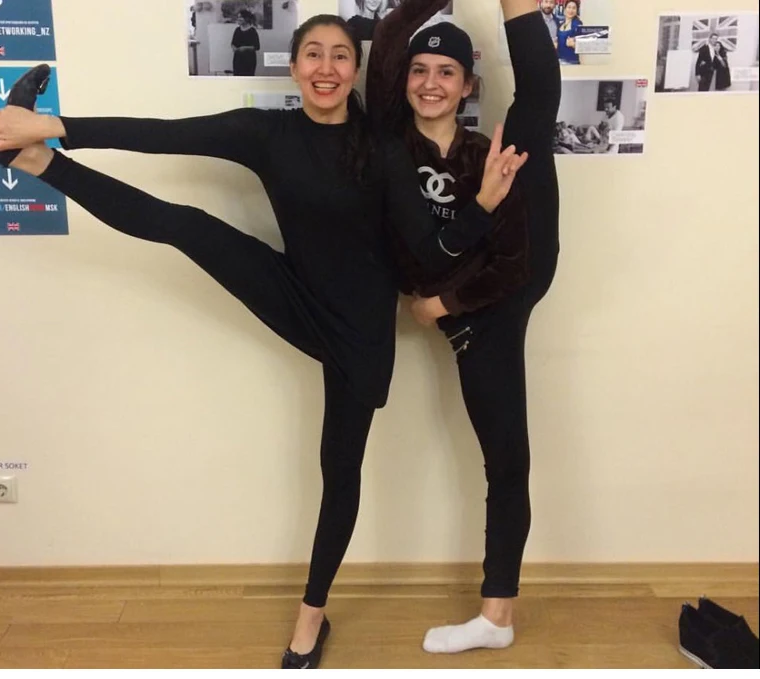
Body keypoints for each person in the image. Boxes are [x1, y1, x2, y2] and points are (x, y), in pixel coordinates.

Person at [0, 14, 527, 670]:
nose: (326, 68)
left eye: (340, 56)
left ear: (355, 71)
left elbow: (433, 250)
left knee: (339, 471)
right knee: (186, 225)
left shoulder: (381, 149)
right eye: (313, 54)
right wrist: (53, 126)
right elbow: (163, 136)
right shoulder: (265, 134)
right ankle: (38, 158)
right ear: (293, 68)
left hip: (360, 333)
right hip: (295, 292)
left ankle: (311, 615)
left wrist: (483, 205)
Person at [367, 0, 560, 654]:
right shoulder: (391, 145)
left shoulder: (486, 152)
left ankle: (496, 615)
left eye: (446, 71)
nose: (430, 82)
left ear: (468, 85)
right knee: (505, 460)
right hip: (466, 309)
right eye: (419, 70)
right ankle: (496, 619)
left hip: (490, 309)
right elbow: (390, 37)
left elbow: (514, 263)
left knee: (507, 461)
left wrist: (443, 305)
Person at [231, 9, 261, 76]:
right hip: (238, 59)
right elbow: (233, 43)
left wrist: (244, 48)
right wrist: (234, 48)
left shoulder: (252, 31)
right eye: (238, 17)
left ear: (246, 18)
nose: (238, 19)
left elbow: (257, 47)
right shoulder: (237, 30)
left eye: (240, 17)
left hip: (249, 60)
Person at [556, 0, 582, 65]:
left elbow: (583, 46)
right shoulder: (560, 24)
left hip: (571, 62)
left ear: (577, 11)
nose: (571, 10)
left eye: (574, 8)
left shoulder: (578, 24)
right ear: (565, 9)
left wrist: (574, 45)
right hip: (559, 61)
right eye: (569, 7)